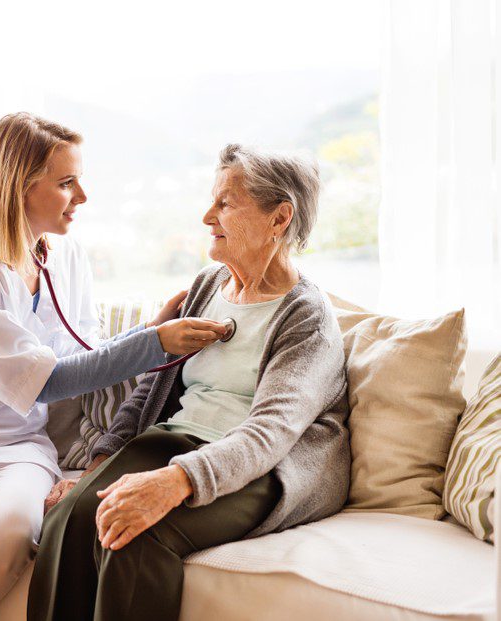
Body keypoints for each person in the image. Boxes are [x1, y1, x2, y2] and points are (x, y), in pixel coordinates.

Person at [0, 113, 230, 610]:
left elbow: (83, 355)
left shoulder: (65, 256)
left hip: (16, 442)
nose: (82, 196)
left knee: (13, 537)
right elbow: (45, 382)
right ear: (18, 186)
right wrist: (156, 343)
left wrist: (149, 332)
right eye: (66, 183)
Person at [29, 144, 351, 621]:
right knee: (70, 517)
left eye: (225, 203)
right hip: (178, 442)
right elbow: (151, 391)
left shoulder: (307, 318)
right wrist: (99, 465)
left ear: (279, 218)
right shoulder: (207, 285)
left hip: (263, 469)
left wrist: (175, 482)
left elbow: (270, 435)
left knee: (132, 533)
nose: (207, 216)